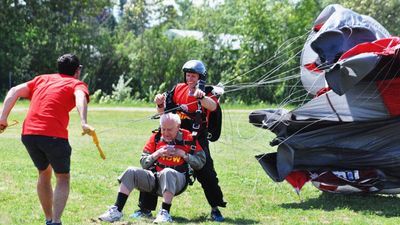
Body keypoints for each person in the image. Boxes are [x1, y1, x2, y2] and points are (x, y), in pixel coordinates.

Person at [0, 53, 92, 225]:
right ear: (78, 70)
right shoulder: (76, 83)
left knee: (44, 172)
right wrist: (84, 122)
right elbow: (80, 97)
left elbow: (14, 91)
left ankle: (49, 219)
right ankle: (55, 222)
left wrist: (2, 118)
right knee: (62, 177)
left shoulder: (42, 79)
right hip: (53, 135)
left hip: (29, 134)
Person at [133, 60, 226, 222]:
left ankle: (215, 208)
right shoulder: (178, 89)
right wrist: (160, 104)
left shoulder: (207, 91)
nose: (190, 79)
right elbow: (164, 115)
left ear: (200, 77)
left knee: (207, 172)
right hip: (175, 136)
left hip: (197, 138)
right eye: (188, 75)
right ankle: (145, 208)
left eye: (194, 76)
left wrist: (202, 97)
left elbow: (212, 107)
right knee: (155, 166)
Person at [98, 113, 206, 223]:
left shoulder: (188, 137)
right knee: (131, 171)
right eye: (163, 129)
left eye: (169, 130)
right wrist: (158, 153)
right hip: (156, 180)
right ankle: (116, 210)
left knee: (167, 172)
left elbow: (201, 162)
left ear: (178, 127)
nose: (166, 133)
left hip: (178, 181)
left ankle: (165, 213)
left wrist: (183, 154)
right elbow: (144, 163)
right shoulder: (156, 137)